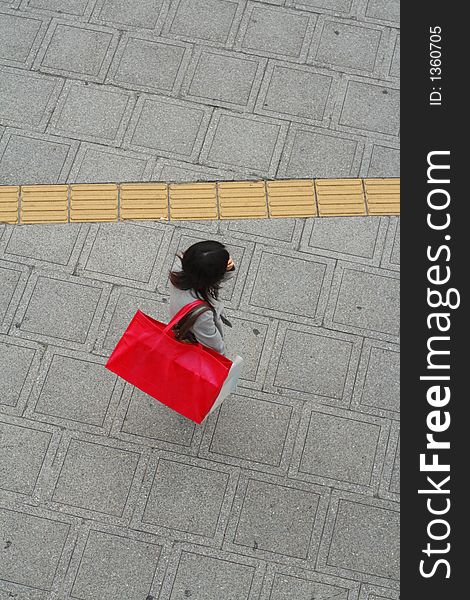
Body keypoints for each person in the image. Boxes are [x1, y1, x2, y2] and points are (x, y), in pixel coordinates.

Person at [168, 240, 235, 355]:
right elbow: (214, 347)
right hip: (190, 330)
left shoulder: (179, 269)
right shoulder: (202, 315)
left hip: (181, 316)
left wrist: (226, 269)